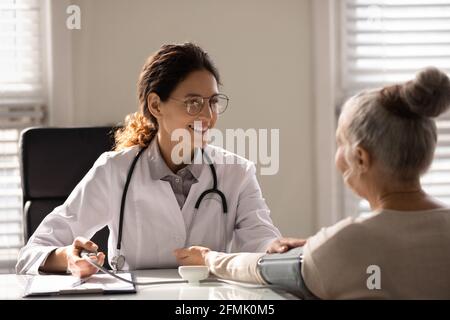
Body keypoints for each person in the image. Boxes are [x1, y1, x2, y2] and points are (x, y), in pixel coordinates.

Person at [174, 67, 450, 299]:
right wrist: (316, 247)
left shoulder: (348, 245)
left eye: (340, 142)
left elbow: (261, 268)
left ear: (361, 158)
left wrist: (209, 258)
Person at [16, 42, 282, 277]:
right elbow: (34, 251)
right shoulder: (115, 171)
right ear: (156, 106)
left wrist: (280, 251)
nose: (208, 116)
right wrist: (69, 259)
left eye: (212, 102)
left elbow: (263, 244)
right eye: (193, 102)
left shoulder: (237, 173)